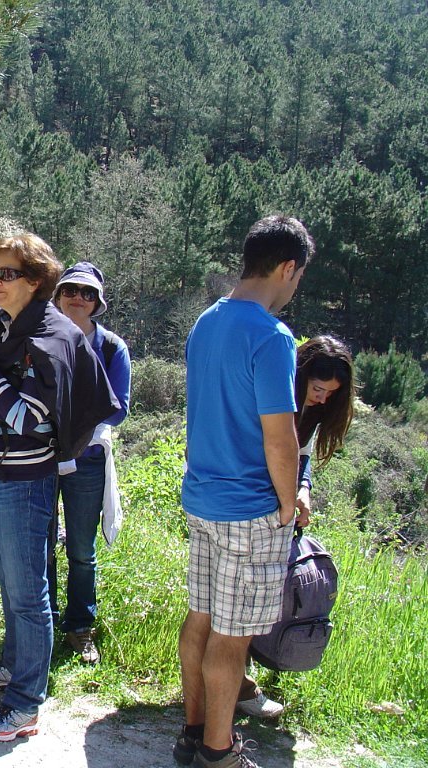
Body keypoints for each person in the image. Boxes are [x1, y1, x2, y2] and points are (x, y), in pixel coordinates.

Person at [0, 234, 117, 742]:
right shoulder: (1, 326)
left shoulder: (54, 336)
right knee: (9, 582)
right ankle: (13, 663)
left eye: (7, 274)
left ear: (37, 281)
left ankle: (24, 704)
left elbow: (30, 421)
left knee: (28, 593)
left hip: (23, 479)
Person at [175, 215, 314, 768]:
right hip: (251, 508)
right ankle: (219, 750)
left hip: (202, 498)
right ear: (287, 268)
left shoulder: (206, 322)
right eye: (298, 276)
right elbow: (280, 437)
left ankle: (193, 731)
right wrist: (287, 503)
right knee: (231, 638)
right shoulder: (271, 336)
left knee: (201, 618)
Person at [236, 334, 355, 718]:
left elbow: (300, 457)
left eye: (331, 394)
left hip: (278, 512)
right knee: (238, 602)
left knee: (254, 601)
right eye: (318, 389)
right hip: (245, 505)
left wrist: (302, 489)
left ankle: (234, 684)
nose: (322, 399)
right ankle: (235, 689)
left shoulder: (314, 410)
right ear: (300, 375)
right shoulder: (271, 392)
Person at [52, 262, 131, 664]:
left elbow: (119, 409)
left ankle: (80, 627)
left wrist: (74, 419)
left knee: (81, 549)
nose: (78, 299)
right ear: (58, 295)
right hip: (42, 456)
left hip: (87, 460)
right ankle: (43, 621)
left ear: (97, 302)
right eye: (70, 290)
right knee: (41, 543)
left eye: (87, 293)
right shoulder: (41, 336)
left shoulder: (112, 347)